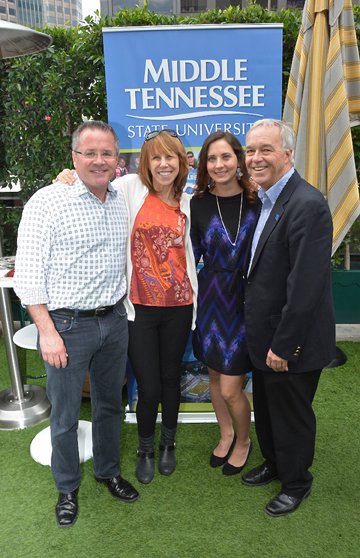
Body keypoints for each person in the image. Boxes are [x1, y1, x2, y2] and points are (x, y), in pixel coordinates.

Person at [14, 121, 139, 529]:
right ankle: (67, 487)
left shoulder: (122, 199)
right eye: (90, 153)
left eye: (107, 153)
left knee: (109, 406)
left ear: (117, 160)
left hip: (114, 320)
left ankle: (107, 472)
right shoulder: (47, 202)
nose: (99, 161)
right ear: (74, 158)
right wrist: (47, 332)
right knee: (65, 414)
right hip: (67, 327)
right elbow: (28, 276)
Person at [56, 129, 198, 486]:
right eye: (156, 157)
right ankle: (145, 448)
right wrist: (66, 175)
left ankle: (168, 443)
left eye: (171, 157)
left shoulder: (190, 201)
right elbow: (92, 178)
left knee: (171, 380)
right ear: (145, 163)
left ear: (181, 162)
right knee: (148, 386)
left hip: (180, 304)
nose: (163, 164)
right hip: (138, 308)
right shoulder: (130, 189)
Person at [241, 119, 336, 516]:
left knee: (292, 415)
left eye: (265, 149)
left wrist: (284, 344)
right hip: (264, 336)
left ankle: (297, 482)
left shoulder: (307, 204)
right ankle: (277, 464)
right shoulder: (267, 198)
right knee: (266, 407)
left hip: (288, 341)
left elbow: (305, 288)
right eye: (250, 150)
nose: (255, 158)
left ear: (287, 154)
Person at [191, 131, 258, 475]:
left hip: (247, 299)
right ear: (205, 164)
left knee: (232, 387)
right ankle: (226, 432)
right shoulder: (198, 203)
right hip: (211, 299)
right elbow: (191, 255)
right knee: (215, 376)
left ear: (239, 159)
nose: (219, 165)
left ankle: (244, 441)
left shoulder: (258, 201)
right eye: (212, 159)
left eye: (225, 157)